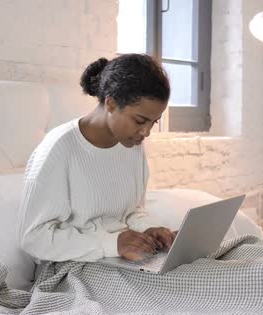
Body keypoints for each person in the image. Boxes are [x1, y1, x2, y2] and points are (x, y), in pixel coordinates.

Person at [17, 54, 176, 264]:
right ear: (110, 104)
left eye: (154, 122)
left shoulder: (131, 143)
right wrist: (113, 244)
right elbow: (33, 238)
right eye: (140, 120)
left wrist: (148, 229)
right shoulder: (59, 148)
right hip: (71, 267)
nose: (146, 132)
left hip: (118, 260)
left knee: (217, 265)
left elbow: (132, 211)